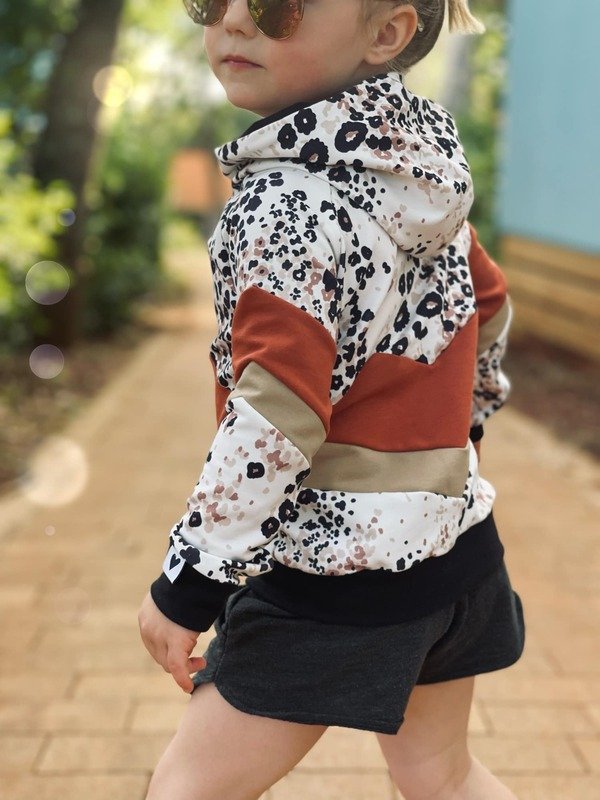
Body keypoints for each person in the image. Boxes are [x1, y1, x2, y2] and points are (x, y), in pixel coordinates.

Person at [138, 1, 525, 798]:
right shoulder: (423, 176)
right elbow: (487, 312)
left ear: (386, 34)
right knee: (443, 775)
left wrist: (189, 583)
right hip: (458, 555)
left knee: (188, 788)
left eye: (276, 5)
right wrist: (453, 444)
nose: (233, 22)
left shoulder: (290, 200)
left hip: (333, 579)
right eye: (212, 0)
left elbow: (274, 418)